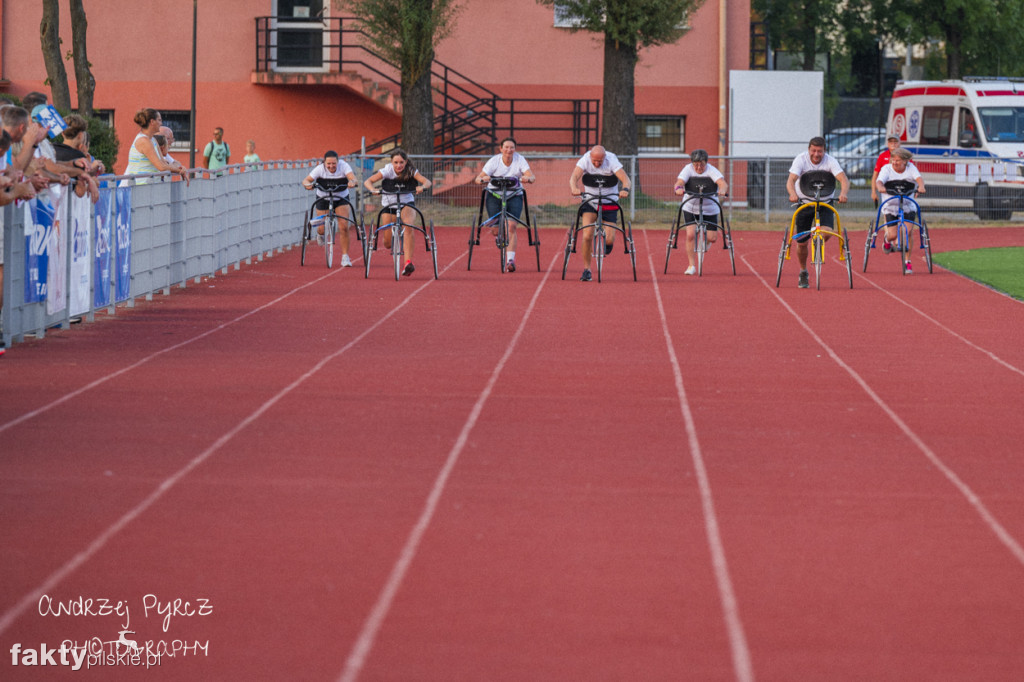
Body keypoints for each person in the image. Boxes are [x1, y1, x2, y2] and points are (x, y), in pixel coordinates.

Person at [786, 136, 850, 288]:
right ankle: (803, 272)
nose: (816, 154)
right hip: (804, 203)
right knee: (801, 243)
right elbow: (791, 180)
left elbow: (843, 179)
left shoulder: (830, 161)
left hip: (825, 203)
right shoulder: (801, 160)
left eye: (819, 151)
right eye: (813, 151)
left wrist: (844, 193)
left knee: (827, 233)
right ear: (809, 150)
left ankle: (817, 236)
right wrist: (792, 194)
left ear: (824, 151)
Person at [363, 148, 431, 276]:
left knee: (409, 227)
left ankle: (408, 262)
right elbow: (368, 181)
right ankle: (394, 242)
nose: (398, 165)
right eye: (396, 162)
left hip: (406, 203)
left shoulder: (411, 171)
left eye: (401, 162)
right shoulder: (386, 171)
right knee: (387, 243)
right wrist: (373, 190)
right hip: (389, 205)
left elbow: (427, 182)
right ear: (391, 162)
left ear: (406, 162)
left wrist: (422, 187)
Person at [568, 144, 631, 281]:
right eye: (594, 161)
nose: (597, 164)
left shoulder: (612, 160)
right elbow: (573, 177)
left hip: (609, 201)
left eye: (600, 161)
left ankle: (608, 244)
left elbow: (626, 179)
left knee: (609, 238)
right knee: (587, 235)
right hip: (590, 201)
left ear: (604, 158)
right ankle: (587, 270)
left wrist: (625, 189)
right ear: (590, 156)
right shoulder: (584, 160)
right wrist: (574, 187)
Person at [474, 137, 536, 272]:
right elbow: (478, 178)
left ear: (515, 149)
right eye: (506, 147)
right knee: (495, 231)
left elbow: (531, 176)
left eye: (512, 147)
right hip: (495, 195)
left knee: (512, 226)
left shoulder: (520, 159)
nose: (509, 150)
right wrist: (483, 179)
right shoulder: (494, 161)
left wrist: (528, 178)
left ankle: (510, 260)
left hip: (514, 195)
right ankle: (499, 233)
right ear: (501, 149)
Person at [673, 149, 729, 276]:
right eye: (696, 164)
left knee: (712, 238)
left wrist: (722, 190)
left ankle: (706, 242)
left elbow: (722, 183)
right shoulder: (687, 169)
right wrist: (678, 189)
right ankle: (691, 265)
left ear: (706, 163)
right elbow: (680, 182)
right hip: (690, 206)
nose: (699, 167)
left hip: (709, 208)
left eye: (702, 164)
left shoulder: (712, 170)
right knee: (690, 235)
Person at [302, 150, 358, 267]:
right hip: (323, 197)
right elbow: (306, 180)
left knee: (343, 226)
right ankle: (320, 234)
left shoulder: (344, 166)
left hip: (340, 197)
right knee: (321, 228)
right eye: (329, 164)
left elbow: (352, 178)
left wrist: (352, 182)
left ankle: (345, 257)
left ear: (338, 162)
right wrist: (309, 185)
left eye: (334, 163)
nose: (331, 166)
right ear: (324, 163)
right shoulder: (319, 169)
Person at [875, 148, 926, 272]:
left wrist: (921, 187)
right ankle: (887, 240)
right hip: (891, 205)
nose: (894, 162)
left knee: (907, 232)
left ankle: (907, 262)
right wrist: (880, 187)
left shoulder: (911, 168)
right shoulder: (886, 169)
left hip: (907, 204)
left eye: (897, 160)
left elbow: (919, 179)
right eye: (893, 159)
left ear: (905, 161)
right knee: (892, 235)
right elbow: (879, 181)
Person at [121, 109, 188, 185]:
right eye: (159, 120)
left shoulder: (152, 140)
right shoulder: (143, 141)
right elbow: (161, 167)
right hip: (141, 188)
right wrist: (180, 170)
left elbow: (163, 162)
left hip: (151, 187)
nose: (161, 123)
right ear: (152, 122)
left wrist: (180, 168)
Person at [870, 134, 901, 205]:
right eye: (891, 142)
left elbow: (913, 173)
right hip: (887, 189)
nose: (893, 144)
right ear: (888, 143)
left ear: (899, 143)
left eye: (895, 142)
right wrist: (874, 192)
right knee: (887, 211)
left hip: (902, 187)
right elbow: (875, 175)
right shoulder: (882, 156)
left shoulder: (904, 155)